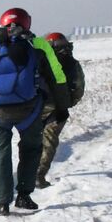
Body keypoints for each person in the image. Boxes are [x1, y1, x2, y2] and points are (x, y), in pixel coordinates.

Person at [0, 7, 70, 215]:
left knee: (0, 154)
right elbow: (57, 77)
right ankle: (24, 195)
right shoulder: (38, 44)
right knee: (31, 150)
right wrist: (62, 107)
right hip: (29, 110)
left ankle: (1, 201)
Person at [35, 32, 85, 188]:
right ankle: (39, 175)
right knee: (49, 141)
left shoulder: (39, 61)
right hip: (58, 110)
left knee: (34, 141)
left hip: (36, 109)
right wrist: (69, 103)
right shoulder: (73, 64)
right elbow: (78, 88)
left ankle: (29, 173)